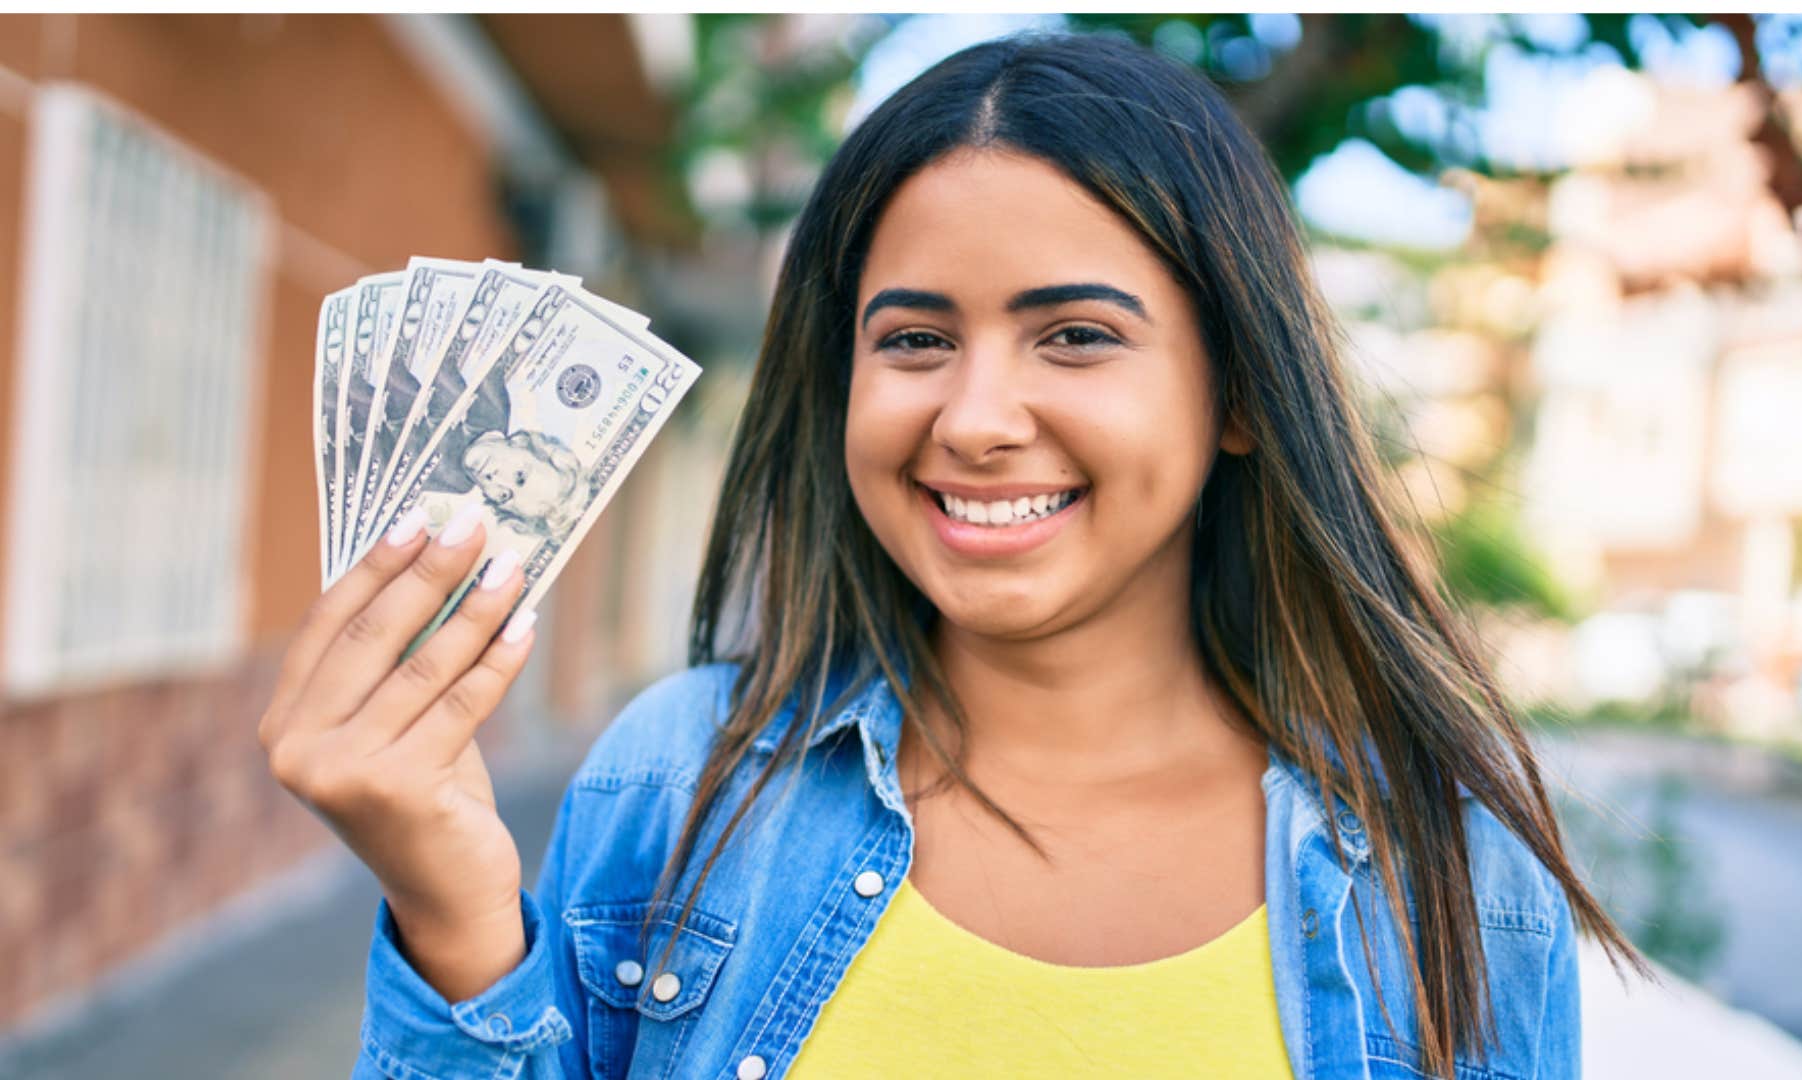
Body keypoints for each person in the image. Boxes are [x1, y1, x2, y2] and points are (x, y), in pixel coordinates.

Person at [259, 30, 1650, 1080]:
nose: (975, 419)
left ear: (1236, 392)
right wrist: (447, 902)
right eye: (914, 339)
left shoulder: (1450, 872)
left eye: (1077, 336)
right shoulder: (678, 779)